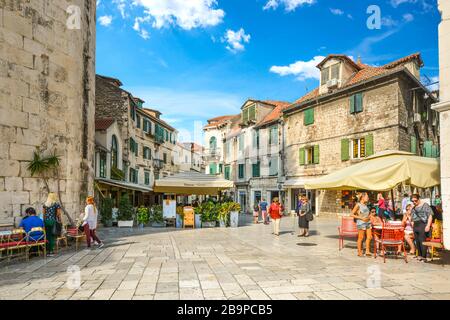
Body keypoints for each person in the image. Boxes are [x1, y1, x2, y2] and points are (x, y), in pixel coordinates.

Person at [411, 194, 433, 262]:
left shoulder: (425, 205)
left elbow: (430, 215)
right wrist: (412, 224)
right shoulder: (414, 207)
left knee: (422, 241)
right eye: (413, 201)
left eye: (415, 200)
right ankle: (419, 255)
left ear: (419, 199)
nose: (414, 202)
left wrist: (428, 225)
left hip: (423, 224)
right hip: (416, 225)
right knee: (417, 241)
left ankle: (424, 257)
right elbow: (412, 217)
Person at [351, 192, 372, 257]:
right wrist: (361, 218)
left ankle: (367, 251)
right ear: (362, 197)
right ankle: (359, 252)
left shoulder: (366, 205)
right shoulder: (358, 205)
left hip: (368, 223)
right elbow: (351, 214)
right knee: (361, 238)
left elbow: (367, 214)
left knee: (369, 237)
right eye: (367, 197)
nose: (368, 198)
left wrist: (369, 216)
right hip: (361, 223)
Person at [43, 193, 62, 257]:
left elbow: (44, 214)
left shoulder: (45, 204)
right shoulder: (56, 204)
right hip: (53, 221)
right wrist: (58, 219)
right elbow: (58, 213)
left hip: (46, 221)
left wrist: (45, 220)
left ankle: (47, 251)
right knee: (52, 236)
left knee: (47, 236)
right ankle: (51, 251)